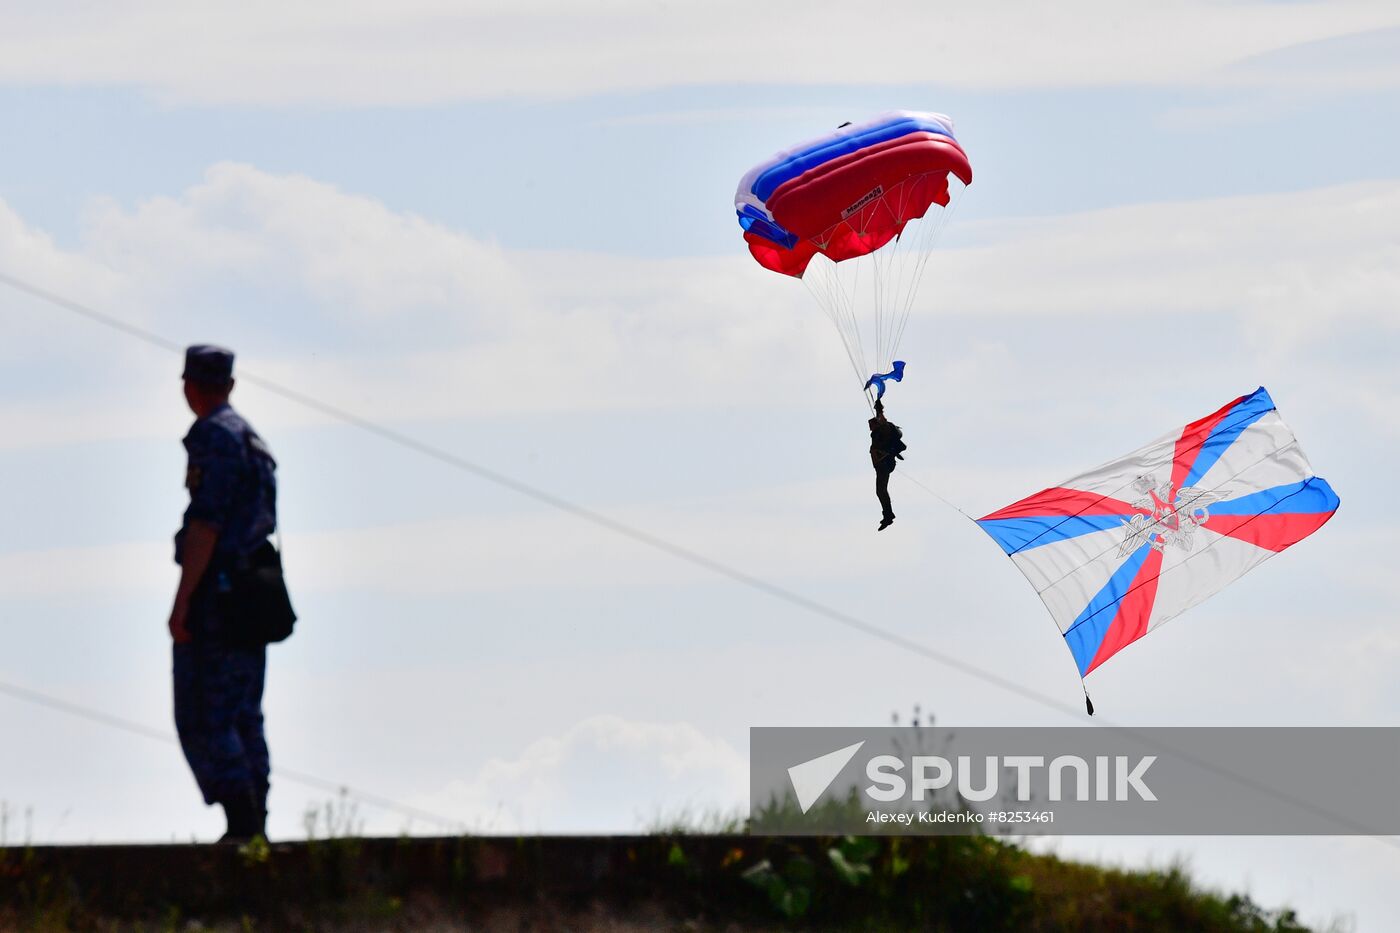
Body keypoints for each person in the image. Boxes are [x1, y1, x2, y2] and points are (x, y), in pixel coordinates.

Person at [170, 344, 279, 843]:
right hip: (254, 589)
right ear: (230, 384)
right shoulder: (251, 438)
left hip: (219, 591)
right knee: (243, 710)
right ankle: (255, 822)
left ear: (190, 385)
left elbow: (206, 526)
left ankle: (241, 819)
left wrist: (184, 601)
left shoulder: (213, 437)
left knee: (205, 708)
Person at [868, 399, 906, 530]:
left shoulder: (883, 430)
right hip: (881, 466)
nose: (870, 426)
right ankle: (888, 515)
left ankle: (888, 516)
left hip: (884, 464)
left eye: (872, 424)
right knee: (880, 491)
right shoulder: (877, 434)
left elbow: (883, 421)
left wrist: (879, 410)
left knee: (881, 491)